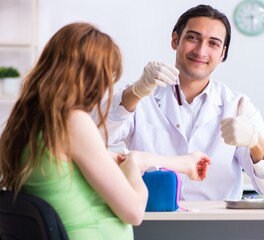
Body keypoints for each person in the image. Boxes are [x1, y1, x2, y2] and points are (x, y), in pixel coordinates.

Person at [0, 23, 211, 239]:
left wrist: (183, 162)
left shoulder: (29, 123)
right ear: (89, 75)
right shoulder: (74, 122)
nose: (106, 87)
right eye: (108, 76)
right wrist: (135, 166)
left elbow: (114, 158)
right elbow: (134, 211)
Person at [106, 4, 264, 201]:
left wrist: (255, 141)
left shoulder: (238, 107)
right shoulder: (140, 95)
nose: (201, 51)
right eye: (193, 38)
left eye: (213, 44)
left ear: (222, 54)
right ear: (175, 40)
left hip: (217, 225)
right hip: (150, 220)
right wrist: (135, 92)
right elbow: (97, 137)